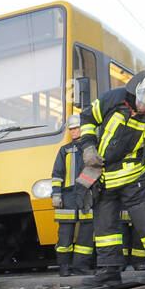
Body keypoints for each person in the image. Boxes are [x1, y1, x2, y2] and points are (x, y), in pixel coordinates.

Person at [76, 69, 145, 287]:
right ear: (139, 92)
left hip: (136, 176)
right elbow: (87, 118)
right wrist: (88, 147)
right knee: (106, 225)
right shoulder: (114, 98)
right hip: (104, 174)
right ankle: (109, 271)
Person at [49, 114, 94, 277]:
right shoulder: (65, 150)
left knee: (87, 233)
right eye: (72, 129)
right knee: (65, 234)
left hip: (87, 196)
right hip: (68, 197)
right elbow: (57, 174)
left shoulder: (93, 149)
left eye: (76, 128)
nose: (74, 132)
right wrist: (56, 194)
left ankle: (81, 266)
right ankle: (64, 267)